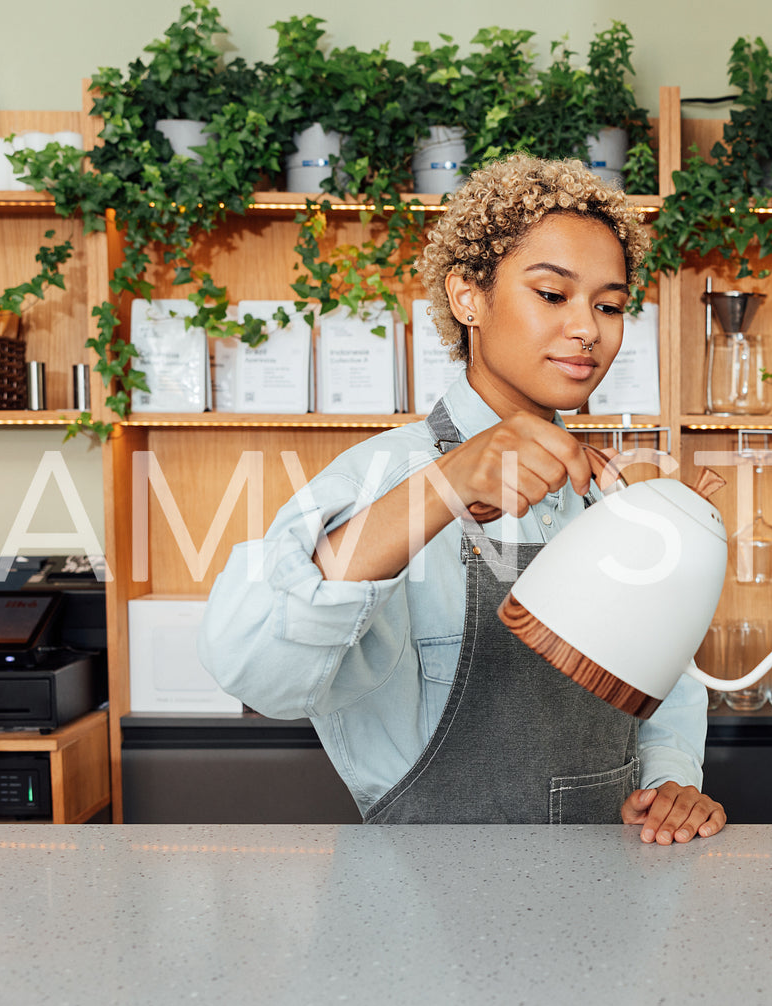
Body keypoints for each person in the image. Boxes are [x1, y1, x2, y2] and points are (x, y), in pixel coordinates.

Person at [199, 155, 726, 845]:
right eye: (551, 294)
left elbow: (664, 686)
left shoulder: (608, 496)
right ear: (466, 297)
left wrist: (667, 783)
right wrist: (443, 486)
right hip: (420, 918)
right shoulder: (382, 476)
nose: (588, 330)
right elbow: (257, 675)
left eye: (609, 305)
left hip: (607, 899)